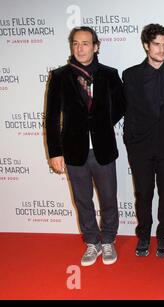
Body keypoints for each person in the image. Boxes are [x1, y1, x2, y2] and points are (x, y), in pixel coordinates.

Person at [45, 26, 125, 266]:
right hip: (73, 150)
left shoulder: (109, 74)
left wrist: (101, 123)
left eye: (86, 43)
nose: (80, 48)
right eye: (76, 44)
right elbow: (51, 117)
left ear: (96, 46)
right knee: (82, 199)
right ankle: (92, 242)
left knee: (109, 198)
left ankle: (108, 239)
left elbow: (121, 105)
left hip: (103, 148)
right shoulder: (59, 76)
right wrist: (55, 152)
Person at [122, 23, 164, 258]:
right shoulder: (130, 75)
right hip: (141, 146)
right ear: (146, 46)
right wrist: (131, 141)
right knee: (144, 193)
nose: (161, 49)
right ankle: (144, 236)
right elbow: (126, 110)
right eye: (157, 44)